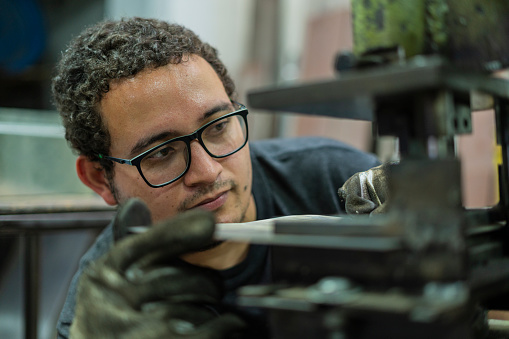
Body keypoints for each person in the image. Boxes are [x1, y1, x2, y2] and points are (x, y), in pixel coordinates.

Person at [52, 17, 380, 338]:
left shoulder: (335, 181)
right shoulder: (109, 317)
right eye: (161, 152)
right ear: (100, 178)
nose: (208, 171)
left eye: (219, 127)